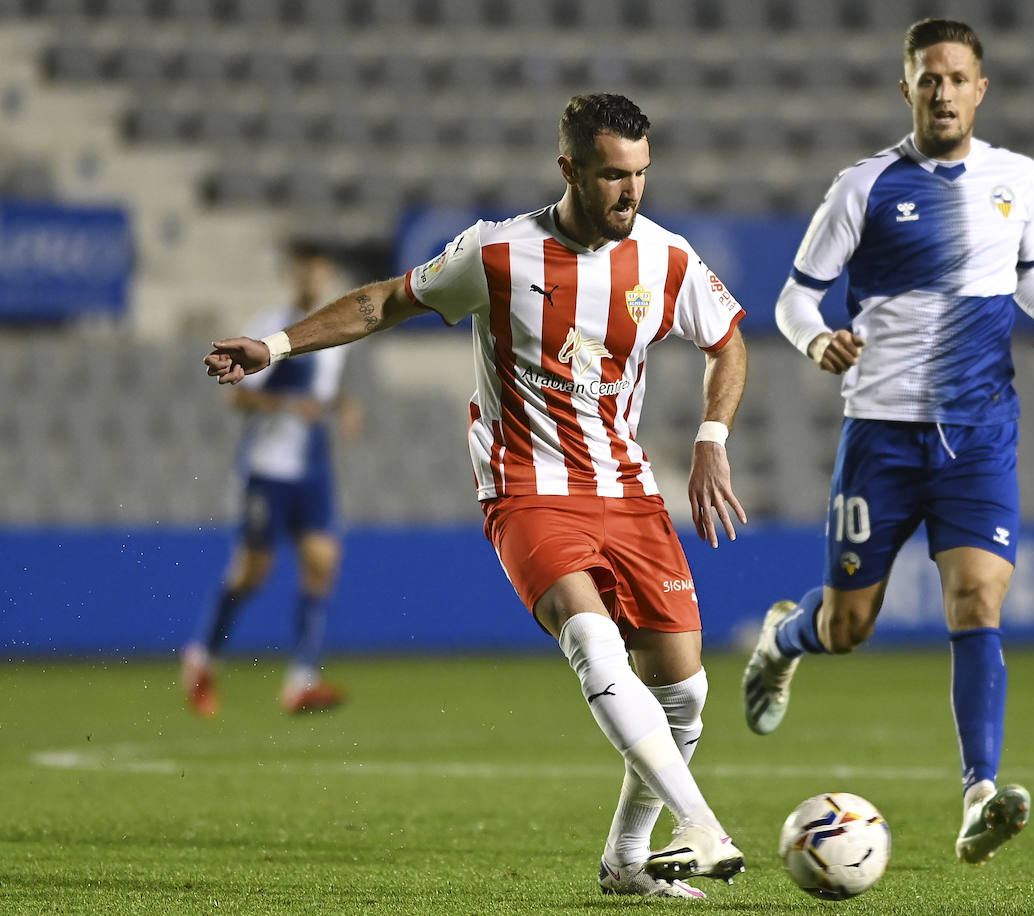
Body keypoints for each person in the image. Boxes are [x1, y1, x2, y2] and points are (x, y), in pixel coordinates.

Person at [204, 94, 748, 899]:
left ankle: (628, 864)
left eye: (639, 175)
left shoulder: (665, 259)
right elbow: (382, 300)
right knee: (594, 645)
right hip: (527, 489)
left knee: (685, 691)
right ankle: (700, 824)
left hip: (629, 491)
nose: (629, 193)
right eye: (611, 177)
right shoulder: (495, 254)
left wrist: (710, 441)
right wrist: (276, 345)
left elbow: (727, 339)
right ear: (568, 169)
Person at [741, 18, 1034, 866]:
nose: (942, 91)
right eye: (927, 78)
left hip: (979, 432)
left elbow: (1028, 272)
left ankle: (978, 795)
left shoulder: (1018, 178)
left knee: (977, 604)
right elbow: (794, 299)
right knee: (848, 626)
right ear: (907, 89)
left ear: (981, 89)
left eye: (957, 77)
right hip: (883, 436)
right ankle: (782, 640)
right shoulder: (862, 188)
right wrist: (817, 341)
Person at [182, 240, 360, 717]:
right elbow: (236, 398)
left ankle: (301, 680)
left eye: (320, 270)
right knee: (252, 572)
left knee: (322, 561)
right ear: (293, 273)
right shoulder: (267, 328)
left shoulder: (331, 330)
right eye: (305, 270)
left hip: (312, 464)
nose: (312, 279)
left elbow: (321, 393)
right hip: (268, 467)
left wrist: (340, 405)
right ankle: (201, 659)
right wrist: (285, 405)